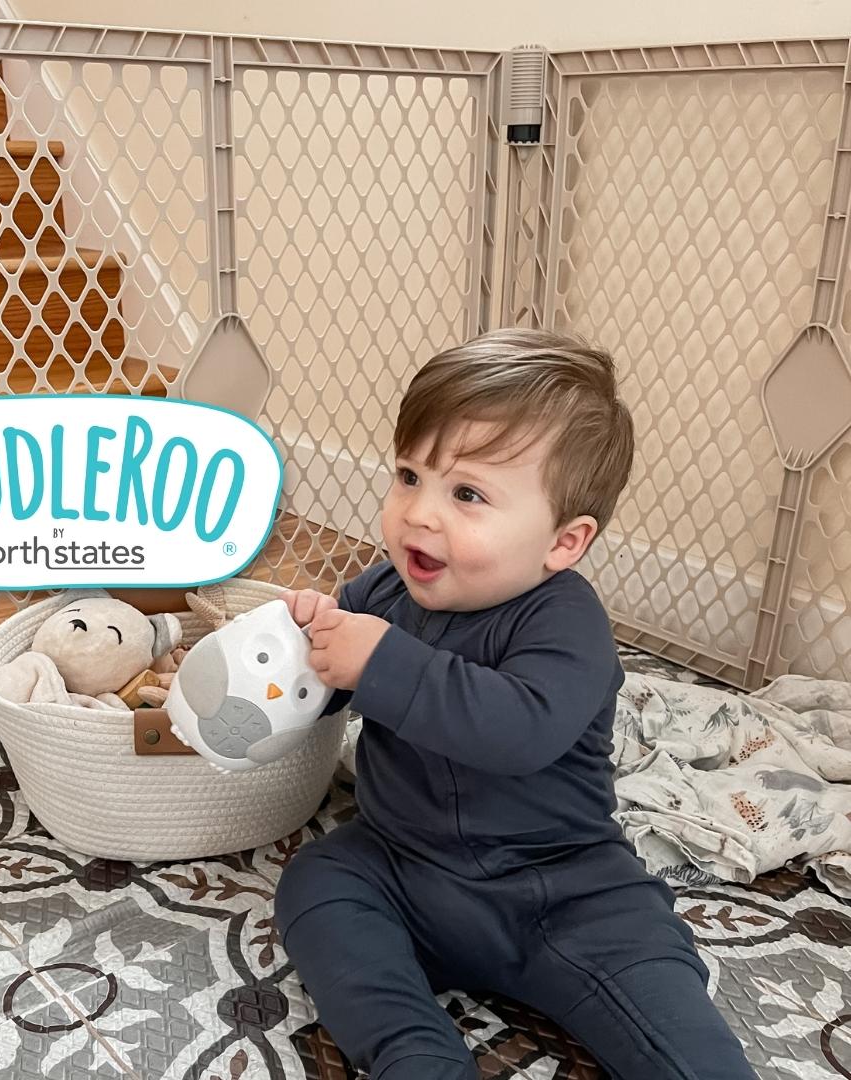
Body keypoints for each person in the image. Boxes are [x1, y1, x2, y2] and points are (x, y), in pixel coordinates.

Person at [275, 327, 757, 1079]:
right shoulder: (380, 595)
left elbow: (518, 730)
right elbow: (325, 687)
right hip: (405, 866)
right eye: (408, 475)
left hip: (562, 889)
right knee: (318, 883)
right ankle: (416, 1054)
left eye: (466, 493)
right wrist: (305, 647)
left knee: (673, 1021)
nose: (419, 513)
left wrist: (380, 661)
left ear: (563, 542)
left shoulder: (566, 622)